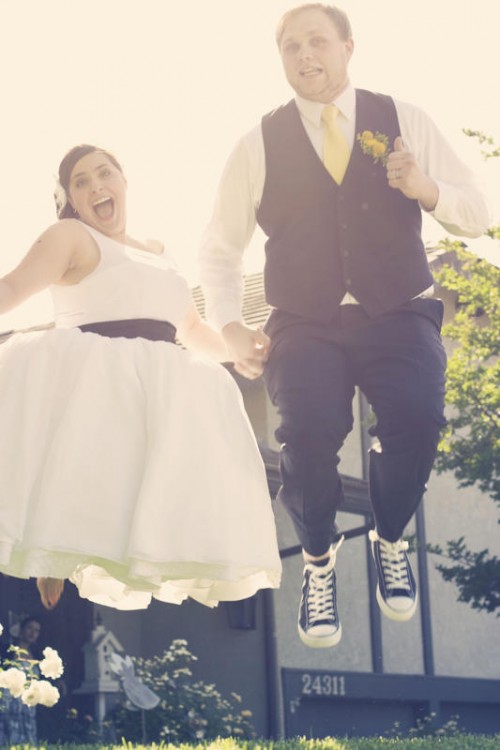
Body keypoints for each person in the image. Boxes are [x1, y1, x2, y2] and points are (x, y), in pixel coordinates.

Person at [199, 3, 491, 648]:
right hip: (304, 320)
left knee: (416, 419)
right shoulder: (257, 143)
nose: (305, 56)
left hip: (399, 310)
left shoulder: (403, 118)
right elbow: (219, 250)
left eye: (317, 42)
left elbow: (475, 209)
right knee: (304, 437)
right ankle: (319, 560)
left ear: (348, 47)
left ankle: (390, 537)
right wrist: (227, 326)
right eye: (290, 47)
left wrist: (425, 186)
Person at [0, 144, 281, 611]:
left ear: (124, 182)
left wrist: (238, 352)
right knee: (83, 462)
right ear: (70, 197)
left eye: (104, 174)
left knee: (151, 479)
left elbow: (189, 329)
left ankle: (77, 555)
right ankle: (50, 551)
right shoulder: (70, 234)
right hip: (91, 378)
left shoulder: (159, 252)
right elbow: (11, 287)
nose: (96, 186)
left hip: (155, 382)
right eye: (81, 181)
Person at [0, 617, 41, 745]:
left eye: (36, 630)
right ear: (21, 630)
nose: (32, 633)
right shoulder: (8, 650)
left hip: (28, 702)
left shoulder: (36, 655)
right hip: (9, 700)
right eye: (29, 628)